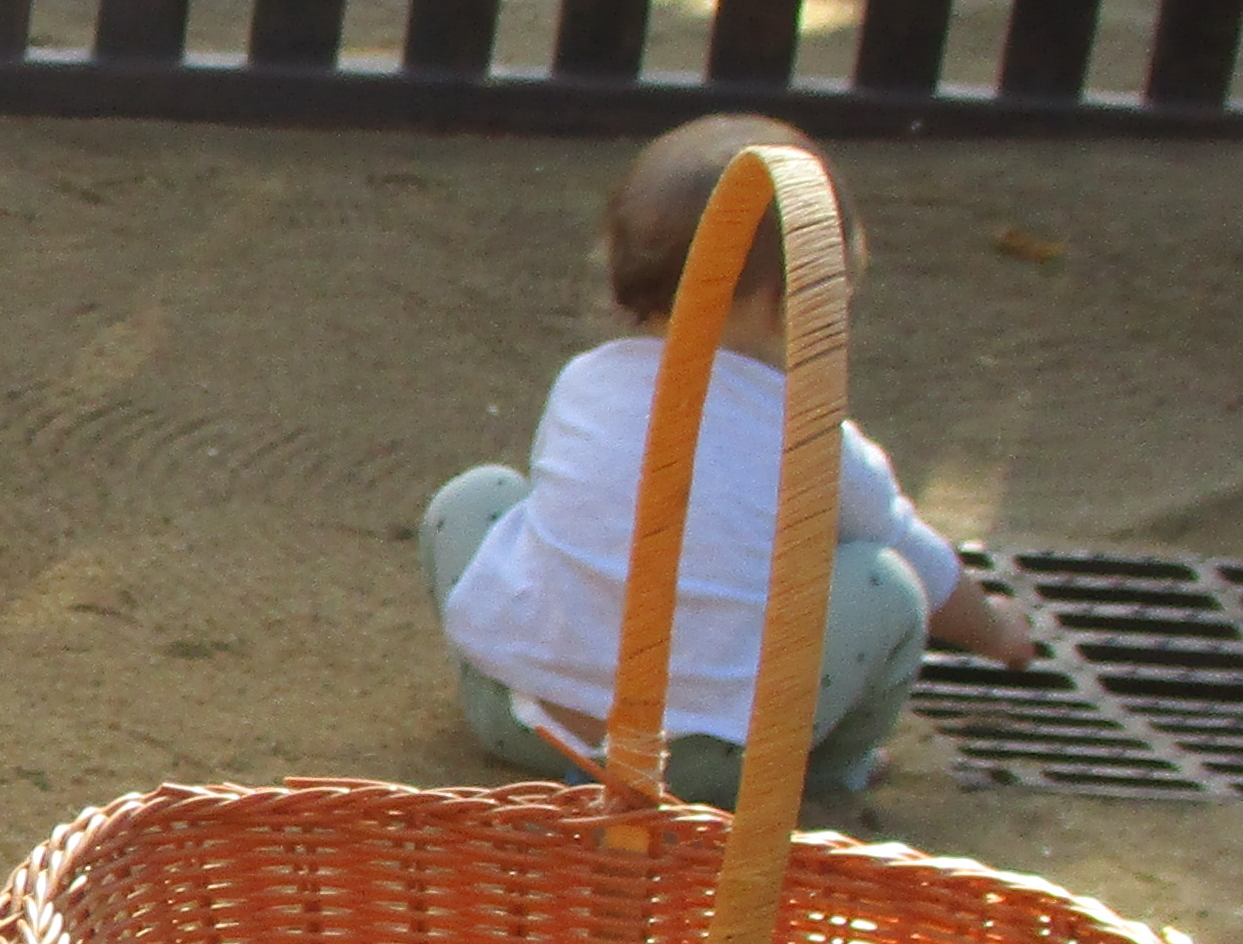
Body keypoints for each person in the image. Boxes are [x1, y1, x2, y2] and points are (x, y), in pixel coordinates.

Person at [419, 113, 1039, 820]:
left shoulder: (583, 381)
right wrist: (999, 632)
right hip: (702, 764)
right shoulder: (813, 436)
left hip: (520, 727)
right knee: (883, 581)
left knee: (479, 497)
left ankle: (519, 675)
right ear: (791, 301)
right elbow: (921, 568)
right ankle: (834, 767)